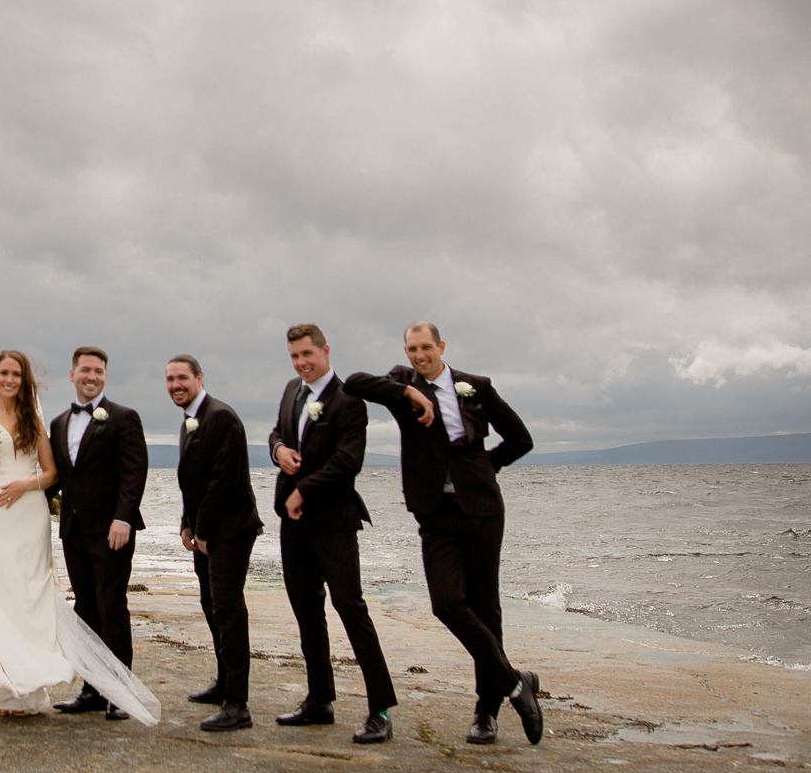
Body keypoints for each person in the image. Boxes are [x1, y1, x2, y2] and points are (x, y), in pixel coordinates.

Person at [344, 320, 542, 746]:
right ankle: (515, 683)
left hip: (483, 509)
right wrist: (409, 392)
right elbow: (354, 382)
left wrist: (487, 466)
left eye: (425, 348)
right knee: (447, 603)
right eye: (411, 348)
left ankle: (486, 712)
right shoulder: (400, 382)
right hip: (434, 514)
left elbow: (521, 438)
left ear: (441, 346)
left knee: (486, 607)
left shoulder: (476, 386)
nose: (419, 355)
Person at [0, 351, 160, 723]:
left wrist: (24, 486)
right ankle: (18, 686)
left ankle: (112, 690)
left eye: (17, 374)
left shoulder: (38, 421)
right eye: (5, 373)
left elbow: (53, 473)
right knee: (5, 596)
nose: (10, 379)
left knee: (48, 598)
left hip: (32, 514)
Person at [265, 324, 434, 744]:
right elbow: (278, 432)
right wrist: (278, 450)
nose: (302, 363)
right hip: (293, 524)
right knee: (306, 611)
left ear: (325, 351)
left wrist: (304, 490)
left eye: (308, 354)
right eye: (294, 357)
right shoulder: (292, 390)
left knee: (350, 609)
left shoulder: (349, 399)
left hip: (334, 521)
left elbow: (348, 461)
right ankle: (320, 700)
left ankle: (380, 709)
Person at [46, 346, 148, 721]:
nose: (92, 376)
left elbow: (133, 473)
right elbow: (55, 478)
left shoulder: (124, 418)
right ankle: (91, 689)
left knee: (111, 607)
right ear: (72, 374)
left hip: (112, 532)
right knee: (85, 610)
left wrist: (123, 518)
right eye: (86, 370)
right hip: (73, 531)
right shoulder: (58, 423)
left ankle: (121, 693)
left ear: (105, 376)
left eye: (99, 371)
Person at [167, 353, 262, 732]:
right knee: (210, 605)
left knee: (228, 609)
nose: (176, 385)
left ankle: (238, 704)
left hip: (232, 529)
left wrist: (203, 528)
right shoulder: (189, 420)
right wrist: (186, 524)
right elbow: (193, 482)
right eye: (170, 379)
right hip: (205, 530)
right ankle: (224, 682)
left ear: (199, 378)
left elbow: (226, 481)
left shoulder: (221, 416)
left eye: (182, 378)